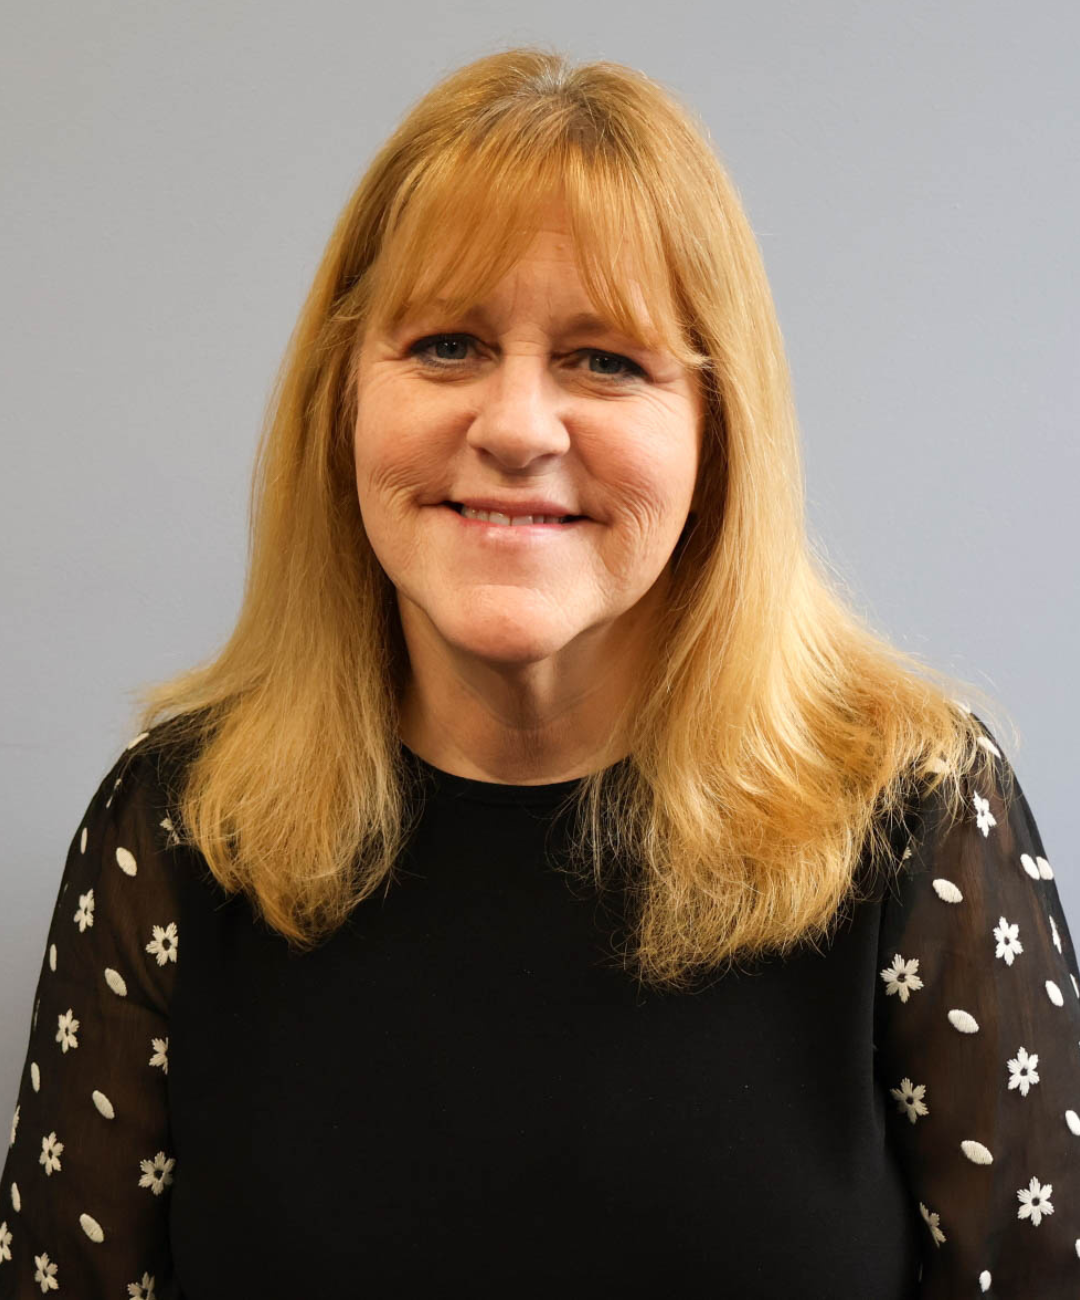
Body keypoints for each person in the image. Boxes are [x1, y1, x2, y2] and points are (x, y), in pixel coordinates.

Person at [1, 45, 1077, 1300]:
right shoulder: (181, 831)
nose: (515, 426)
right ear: (342, 396)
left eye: (605, 359)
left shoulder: (915, 817)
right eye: (447, 344)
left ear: (716, 433)